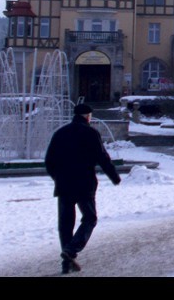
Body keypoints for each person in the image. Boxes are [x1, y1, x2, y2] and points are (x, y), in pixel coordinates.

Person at [45, 103, 121, 274]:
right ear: (88, 116)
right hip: (84, 184)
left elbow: (49, 161)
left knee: (65, 224)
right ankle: (71, 251)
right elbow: (102, 157)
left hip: (64, 184)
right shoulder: (91, 133)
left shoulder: (60, 133)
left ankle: (67, 262)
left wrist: (57, 177)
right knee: (90, 218)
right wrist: (114, 176)